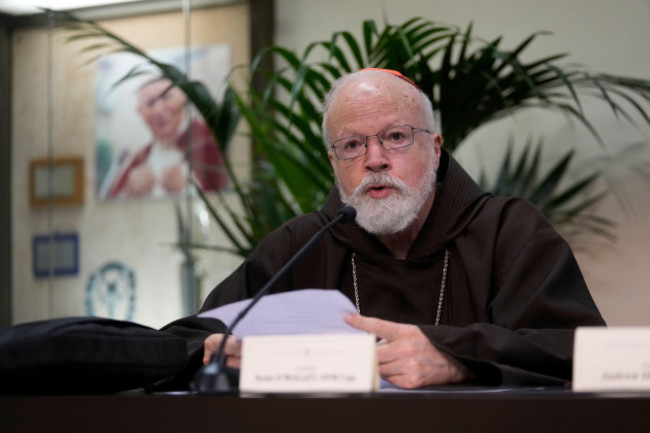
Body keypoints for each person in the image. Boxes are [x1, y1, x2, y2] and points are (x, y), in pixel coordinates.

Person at [162, 69, 605, 388]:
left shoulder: (510, 231)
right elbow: (184, 340)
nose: (375, 159)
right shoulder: (300, 245)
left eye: (395, 137)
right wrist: (220, 352)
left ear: (434, 148)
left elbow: (578, 352)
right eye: (353, 145)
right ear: (335, 164)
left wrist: (457, 358)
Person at [107, 78, 228, 199]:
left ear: (184, 99)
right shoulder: (140, 157)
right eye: (150, 103)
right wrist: (129, 192)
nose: (159, 110)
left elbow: (225, 202)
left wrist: (186, 188)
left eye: (166, 97)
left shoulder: (207, 142)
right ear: (140, 112)